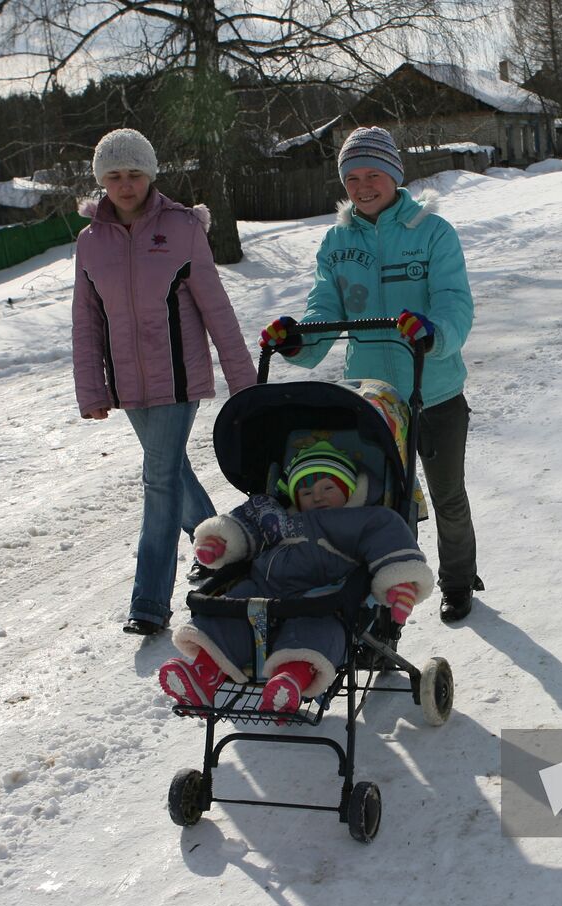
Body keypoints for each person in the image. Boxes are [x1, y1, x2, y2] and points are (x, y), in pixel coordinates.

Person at [258, 126, 483, 622]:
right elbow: (324, 309)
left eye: (373, 174)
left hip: (435, 388)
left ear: (395, 176)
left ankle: (459, 580)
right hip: (374, 398)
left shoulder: (431, 231)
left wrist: (433, 331)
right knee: (387, 504)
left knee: (446, 496)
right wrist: (295, 338)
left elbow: (455, 303)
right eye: (352, 177)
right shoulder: (337, 241)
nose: (362, 186)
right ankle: (391, 595)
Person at [71, 128, 257, 636]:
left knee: (157, 482)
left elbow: (215, 307)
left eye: (134, 174)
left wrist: (244, 382)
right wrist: (92, 390)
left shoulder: (180, 228)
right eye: (114, 176)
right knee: (172, 472)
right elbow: (85, 320)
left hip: (179, 378)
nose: (125, 185)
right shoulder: (90, 243)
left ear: (150, 175)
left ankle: (150, 603)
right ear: (101, 181)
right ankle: (229, 552)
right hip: (127, 384)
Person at [157, 441, 434, 718]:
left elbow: (390, 541)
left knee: (319, 630)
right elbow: (242, 527)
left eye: (328, 487)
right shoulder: (275, 516)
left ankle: (290, 680)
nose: (317, 496)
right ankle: (203, 675)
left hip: (323, 598)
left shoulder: (362, 518)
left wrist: (401, 582)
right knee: (226, 614)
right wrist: (219, 541)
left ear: (349, 489)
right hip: (263, 590)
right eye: (306, 490)